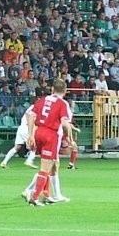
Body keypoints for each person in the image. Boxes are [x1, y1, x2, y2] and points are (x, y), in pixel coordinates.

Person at [25, 79, 76, 207]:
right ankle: (33, 195)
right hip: (51, 135)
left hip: (38, 132)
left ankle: (48, 195)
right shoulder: (62, 103)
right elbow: (65, 123)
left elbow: (30, 116)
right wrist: (70, 139)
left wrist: (30, 135)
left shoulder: (42, 100)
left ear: (52, 89)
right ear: (65, 91)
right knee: (45, 168)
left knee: (52, 165)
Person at [0, 103, 38, 169]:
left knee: (16, 147)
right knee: (34, 147)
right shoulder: (36, 108)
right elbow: (29, 118)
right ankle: (29, 161)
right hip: (26, 128)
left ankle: (4, 162)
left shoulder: (32, 107)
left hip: (21, 128)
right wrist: (31, 132)